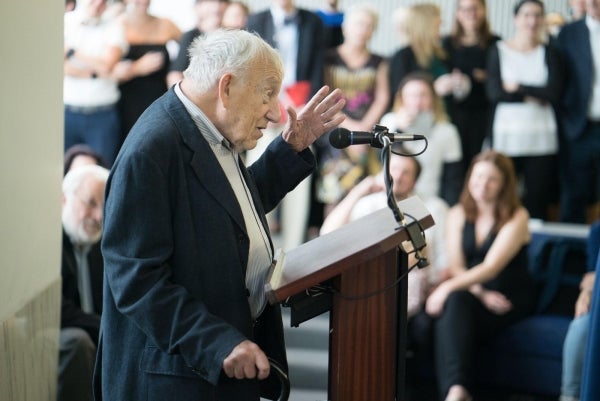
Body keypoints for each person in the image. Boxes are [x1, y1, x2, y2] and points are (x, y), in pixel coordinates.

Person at [93, 29, 345, 401]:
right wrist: (217, 343)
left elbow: (228, 209)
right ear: (226, 87)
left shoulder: (205, 126)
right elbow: (137, 282)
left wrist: (289, 149)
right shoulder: (151, 151)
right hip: (175, 379)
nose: (276, 112)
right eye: (267, 94)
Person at [425, 150, 535, 401]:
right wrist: (481, 293)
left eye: (492, 179)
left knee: (452, 302)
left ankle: (457, 391)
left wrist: (446, 288)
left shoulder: (518, 217)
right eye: (478, 177)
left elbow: (491, 267)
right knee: (450, 306)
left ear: (505, 184)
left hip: (508, 297)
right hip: (477, 294)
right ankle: (457, 391)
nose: (482, 185)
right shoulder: (457, 213)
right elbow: (457, 265)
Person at [320, 155, 449, 318]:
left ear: (415, 181)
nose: (398, 177)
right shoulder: (368, 204)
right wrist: (361, 189)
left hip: (415, 292)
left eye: (406, 172)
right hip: (369, 284)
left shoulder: (433, 207)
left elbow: (441, 261)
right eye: (394, 169)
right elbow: (327, 233)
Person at [246, 0, 326, 249]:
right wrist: (267, 107)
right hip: (266, 108)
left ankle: (293, 246)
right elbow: (250, 70)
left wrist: (306, 109)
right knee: (256, 171)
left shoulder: (312, 21)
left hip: (300, 107)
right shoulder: (256, 20)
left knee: (300, 171)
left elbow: (317, 68)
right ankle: (255, 244)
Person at [486, 0, 563, 221]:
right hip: (506, 135)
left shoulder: (550, 51)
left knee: (538, 198)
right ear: (516, 19)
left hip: (541, 138)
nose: (532, 20)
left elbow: (553, 93)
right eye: (527, 15)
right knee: (502, 195)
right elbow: (495, 93)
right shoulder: (498, 50)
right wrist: (535, 93)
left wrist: (518, 87)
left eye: (538, 15)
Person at [315, 4, 389, 212]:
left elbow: (382, 97)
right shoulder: (328, 58)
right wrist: (350, 128)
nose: (362, 29)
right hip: (336, 129)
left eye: (368, 25)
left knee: (369, 192)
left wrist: (363, 130)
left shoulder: (380, 62)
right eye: (358, 24)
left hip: (367, 132)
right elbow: (325, 97)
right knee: (334, 192)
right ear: (345, 28)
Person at [59, 164, 110, 401]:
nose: (99, 216)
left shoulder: (101, 247)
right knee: (78, 343)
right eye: (90, 203)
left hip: (93, 331)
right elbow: (60, 311)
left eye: (104, 206)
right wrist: (105, 327)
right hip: (54, 333)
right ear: (64, 200)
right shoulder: (50, 242)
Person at [380, 72, 463, 206]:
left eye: (423, 95)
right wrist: (399, 131)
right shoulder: (389, 122)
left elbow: (452, 179)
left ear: (433, 99)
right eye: (412, 96)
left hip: (429, 201)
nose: (417, 102)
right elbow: (384, 162)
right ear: (402, 98)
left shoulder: (447, 131)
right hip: (391, 198)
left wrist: (447, 208)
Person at [63, 0, 128, 167]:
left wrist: (72, 51)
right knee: (59, 172)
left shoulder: (114, 27)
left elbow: (106, 66)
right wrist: (93, 73)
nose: (98, 3)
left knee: (102, 171)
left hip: (102, 116)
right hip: (67, 113)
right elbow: (56, 66)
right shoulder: (65, 21)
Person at [442, 0, 500, 171]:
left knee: (479, 160)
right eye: (465, 9)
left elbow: (497, 79)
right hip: (454, 112)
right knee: (455, 160)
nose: (470, 13)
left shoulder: (494, 42)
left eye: (475, 8)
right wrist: (479, 76)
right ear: (457, 13)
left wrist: (484, 77)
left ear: (483, 11)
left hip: (484, 113)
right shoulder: (447, 43)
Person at [556, 0, 600, 223]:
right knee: (574, 197)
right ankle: (568, 256)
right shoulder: (568, 34)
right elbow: (558, 81)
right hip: (579, 128)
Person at [113, 0, 181, 143]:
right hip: (126, 102)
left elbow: (191, 48)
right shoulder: (116, 25)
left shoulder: (165, 24)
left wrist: (178, 73)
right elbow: (107, 71)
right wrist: (136, 68)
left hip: (159, 99)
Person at [387, 2, 470, 112]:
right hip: (417, 121)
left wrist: (459, 83)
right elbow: (398, 95)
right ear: (425, 25)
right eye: (437, 20)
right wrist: (433, 89)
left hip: (443, 118)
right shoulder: (403, 57)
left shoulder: (442, 54)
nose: (442, 22)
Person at [560, 220, 600, 401]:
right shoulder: (598, 230)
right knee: (581, 326)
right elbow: (592, 277)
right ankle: (569, 396)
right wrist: (585, 293)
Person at [166, 0, 230, 87]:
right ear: (198, 6)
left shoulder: (232, 35)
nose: (216, 7)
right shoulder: (190, 36)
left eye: (221, 2)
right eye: (211, 2)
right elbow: (175, 75)